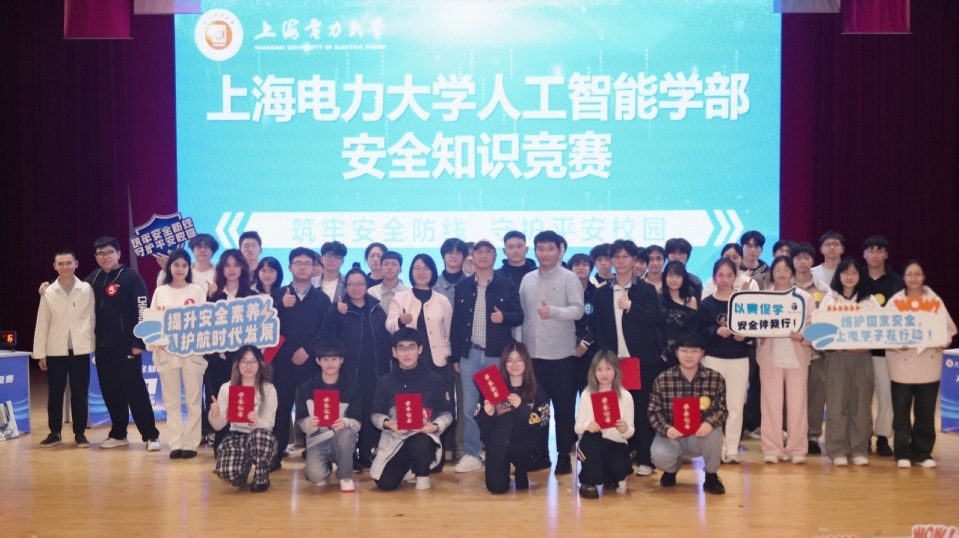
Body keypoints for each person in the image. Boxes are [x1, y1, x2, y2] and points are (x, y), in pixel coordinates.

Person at [38, 237, 161, 450]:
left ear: (118, 254)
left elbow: (143, 309)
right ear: (95, 257)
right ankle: (119, 434)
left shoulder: (132, 277)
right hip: (102, 347)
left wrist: (139, 341)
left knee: (135, 390)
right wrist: (47, 286)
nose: (105, 257)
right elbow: (70, 286)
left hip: (127, 346)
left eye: (109, 252)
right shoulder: (93, 280)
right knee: (111, 392)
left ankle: (151, 436)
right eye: (100, 254)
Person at [450, 239, 524, 473]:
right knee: (469, 407)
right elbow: (456, 324)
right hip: (469, 355)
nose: (483, 255)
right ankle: (472, 454)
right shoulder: (463, 286)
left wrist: (505, 317)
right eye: (478, 252)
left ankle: (499, 452)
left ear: (495, 256)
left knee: (499, 405)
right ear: (472, 257)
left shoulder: (507, 285)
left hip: (496, 356)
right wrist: (455, 357)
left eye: (488, 252)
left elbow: (519, 316)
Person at [591, 239, 662, 476]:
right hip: (613, 362)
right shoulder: (602, 293)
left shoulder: (646, 290)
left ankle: (645, 459)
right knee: (614, 410)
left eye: (625, 257)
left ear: (634, 260)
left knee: (641, 410)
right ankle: (617, 458)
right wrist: (605, 359)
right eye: (616, 257)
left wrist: (631, 305)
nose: (620, 261)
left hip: (639, 362)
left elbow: (654, 317)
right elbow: (598, 328)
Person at [519, 230, 585, 475]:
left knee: (564, 410)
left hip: (561, 357)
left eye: (550, 248)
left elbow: (578, 310)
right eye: (540, 248)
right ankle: (541, 455)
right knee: (537, 410)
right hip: (533, 357)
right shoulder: (527, 279)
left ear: (560, 251)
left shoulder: (569, 278)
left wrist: (554, 312)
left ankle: (564, 456)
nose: (545, 253)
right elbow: (523, 316)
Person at [886, 260, 957, 468]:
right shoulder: (894, 302)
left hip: (929, 363)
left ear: (924, 276)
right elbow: (883, 331)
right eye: (909, 274)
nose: (914, 278)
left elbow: (949, 329)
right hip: (901, 365)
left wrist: (944, 341)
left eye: (917, 274)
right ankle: (902, 453)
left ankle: (922, 453)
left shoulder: (935, 301)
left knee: (925, 411)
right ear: (903, 277)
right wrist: (896, 343)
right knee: (901, 412)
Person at [320, 267, 393, 468]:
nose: (356, 288)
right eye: (351, 284)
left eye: (360, 283)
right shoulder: (337, 308)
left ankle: (366, 452)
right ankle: (348, 455)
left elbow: (385, 339)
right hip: (347, 372)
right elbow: (327, 337)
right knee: (348, 413)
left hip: (374, 371)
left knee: (370, 411)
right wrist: (337, 314)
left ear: (366, 285)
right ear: (346, 287)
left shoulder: (376, 308)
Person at [386, 253, 454, 471]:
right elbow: (389, 325)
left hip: (437, 361)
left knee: (439, 407)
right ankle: (410, 454)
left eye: (426, 268)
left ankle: (439, 454)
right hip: (409, 364)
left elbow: (449, 330)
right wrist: (401, 321)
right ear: (411, 272)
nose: (421, 272)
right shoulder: (401, 298)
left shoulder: (442, 300)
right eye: (417, 268)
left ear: (433, 272)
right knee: (412, 406)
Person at [269, 247, 333, 469]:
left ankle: (314, 451)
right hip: (283, 363)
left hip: (311, 363)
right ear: (290, 267)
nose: (303, 267)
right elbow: (265, 325)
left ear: (315, 267)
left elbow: (326, 330)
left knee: (312, 409)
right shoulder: (278, 295)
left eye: (308, 263)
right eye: (298, 262)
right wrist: (279, 306)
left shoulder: (322, 298)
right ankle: (275, 453)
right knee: (281, 408)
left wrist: (307, 350)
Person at [370, 328, 454, 491]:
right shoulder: (385, 381)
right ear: (394, 352)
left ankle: (423, 477)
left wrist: (434, 427)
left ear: (420, 350)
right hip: (396, 439)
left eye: (411, 347)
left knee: (421, 441)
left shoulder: (435, 380)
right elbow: (375, 413)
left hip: (424, 437)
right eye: (401, 348)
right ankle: (408, 467)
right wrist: (388, 423)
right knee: (385, 484)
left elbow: (448, 413)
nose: (407, 353)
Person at [648, 332, 727, 495]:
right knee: (659, 456)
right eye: (684, 350)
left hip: (699, 436)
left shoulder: (715, 378)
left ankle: (711, 476)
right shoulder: (663, 379)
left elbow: (721, 409)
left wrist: (709, 423)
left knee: (715, 435)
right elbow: (653, 412)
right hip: (672, 436)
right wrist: (666, 429)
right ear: (676, 352)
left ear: (702, 353)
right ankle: (671, 469)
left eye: (694, 351)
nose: (689, 355)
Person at [147, 249, 208, 459]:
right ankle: (176, 443)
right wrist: (158, 342)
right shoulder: (160, 291)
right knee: (171, 401)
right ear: (169, 267)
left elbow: (203, 322)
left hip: (192, 353)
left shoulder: (196, 290)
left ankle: (191, 443)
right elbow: (152, 321)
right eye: (176, 265)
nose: (180, 269)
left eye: (184, 265)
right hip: (166, 353)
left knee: (193, 400)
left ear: (189, 268)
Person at [820, 257, 881, 466]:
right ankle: (837, 450)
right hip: (837, 357)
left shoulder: (869, 300)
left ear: (860, 276)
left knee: (861, 406)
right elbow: (820, 329)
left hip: (862, 357)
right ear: (838, 275)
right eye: (845, 272)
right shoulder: (830, 299)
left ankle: (859, 449)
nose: (849, 276)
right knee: (836, 405)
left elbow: (881, 329)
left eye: (854, 272)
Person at [755, 256, 815, 464]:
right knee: (770, 406)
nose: (781, 273)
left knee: (798, 406)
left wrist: (804, 336)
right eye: (777, 269)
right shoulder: (762, 298)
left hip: (797, 358)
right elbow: (753, 324)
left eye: (785, 269)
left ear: (792, 272)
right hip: (770, 359)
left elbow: (813, 325)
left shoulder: (804, 297)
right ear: (771, 273)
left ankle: (797, 449)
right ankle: (772, 448)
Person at [33, 249, 94, 448]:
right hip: (55, 350)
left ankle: (80, 433)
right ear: (55, 266)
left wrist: (94, 347)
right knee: (55, 393)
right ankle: (55, 432)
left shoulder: (86, 289)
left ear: (76, 264)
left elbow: (92, 319)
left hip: (80, 350)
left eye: (69, 263)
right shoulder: (48, 291)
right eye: (61, 264)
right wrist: (41, 354)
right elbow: (42, 323)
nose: (65, 267)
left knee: (80, 393)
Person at [475, 343, 550, 494]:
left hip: (523, 444)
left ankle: (521, 469)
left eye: (519, 360)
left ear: (526, 362)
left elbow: (541, 425)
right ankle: (504, 470)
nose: (514, 364)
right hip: (499, 443)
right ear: (504, 363)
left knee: (522, 450)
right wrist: (487, 414)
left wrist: (521, 407)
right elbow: (483, 428)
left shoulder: (537, 391)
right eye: (509, 360)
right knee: (496, 488)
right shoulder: (493, 386)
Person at [698, 258, 751, 463]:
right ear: (714, 277)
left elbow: (754, 328)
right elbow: (699, 332)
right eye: (721, 275)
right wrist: (715, 330)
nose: (725, 279)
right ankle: (717, 447)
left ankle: (732, 449)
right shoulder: (706, 304)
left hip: (739, 359)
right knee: (713, 406)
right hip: (713, 359)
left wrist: (744, 336)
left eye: (730, 275)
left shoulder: (743, 302)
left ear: (735, 277)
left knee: (736, 406)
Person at [295, 339, 364, 492]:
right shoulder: (306, 388)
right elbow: (300, 420)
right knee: (316, 477)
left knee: (346, 434)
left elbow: (358, 423)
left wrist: (345, 422)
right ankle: (323, 468)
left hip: (341, 439)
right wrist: (309, 423)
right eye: (325, 359)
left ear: (341, 360)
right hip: (317, 441)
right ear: (318, 361)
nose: (330, 363)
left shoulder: (353, 387)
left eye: (334, 358)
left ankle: (344, 476)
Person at [205, 249, 256, 453]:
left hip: (242, 361)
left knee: (241, 402)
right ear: (221, 269)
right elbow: (205, 327)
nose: (232, 269)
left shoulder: (252, 296)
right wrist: (210, 298)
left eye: (236, 265)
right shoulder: (214, 296)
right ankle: (221, 446)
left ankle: (243, 446)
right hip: (217, 360)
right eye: (227, 265)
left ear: (243, 267)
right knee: (219, 402)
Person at [209, 346, 278, 493]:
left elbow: (269, 424)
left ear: (260, 364)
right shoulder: (226, 388)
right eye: (244, 361)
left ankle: (261, 476)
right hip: (236, 435)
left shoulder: (268, 389)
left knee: (260, 437)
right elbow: (218, 426)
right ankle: (242, 471)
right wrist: (215, 414)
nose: (248, 366)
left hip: (259, 436)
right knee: (226, 471)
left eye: (253, 362)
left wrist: (257, 421)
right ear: (237, 364)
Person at [860, 235, 904, 457]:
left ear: (886, 254)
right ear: (864, 254)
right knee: (861, 398)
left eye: (879, 250)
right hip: (860, 349)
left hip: (887, 350)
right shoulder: (856, 277)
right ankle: (863, 437)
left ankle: (883, 438)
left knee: (887, 397)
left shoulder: (897, 281)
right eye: (870, 250)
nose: (874, 254)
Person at [574, 351, 635, 499]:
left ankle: (611, 477)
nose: (604, 374)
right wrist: (587, 425)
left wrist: (625, 428)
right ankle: (588, 483)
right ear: (593, 372)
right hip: (593, 445)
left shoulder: (625, 396)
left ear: (616, 370)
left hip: (616, 446)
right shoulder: (587, 394)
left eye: (609, 368)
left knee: (619, 470)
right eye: (599, 369)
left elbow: (631, 431)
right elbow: (577, 427)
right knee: (591, 437)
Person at [791, 242, 831, 455]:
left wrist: (813, 339)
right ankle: (791, 433)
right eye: (798, 258)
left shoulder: (823, 289)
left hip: (816, 352)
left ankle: (813, 436)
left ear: (813, 261)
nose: (803, 262)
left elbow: (827, 319)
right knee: (792, 397)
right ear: (793, 261)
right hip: (789, 351)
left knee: (815, 396)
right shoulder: (783, 286)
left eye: (807, 257)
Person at [658, 261, 699, 364]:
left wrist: (671, 350)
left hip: (683, 353)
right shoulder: (657, 298)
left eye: (678, 275)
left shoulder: (690, 301)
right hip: (659, 352)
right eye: (670, 275)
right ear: (664, 277)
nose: (674, 279)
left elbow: (692, 331)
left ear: (684, 278)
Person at [154, 233, 219, 296]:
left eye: (207, 247)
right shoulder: (182, 269)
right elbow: (161, 289)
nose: (202, 250)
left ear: (212, 251)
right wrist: (166, 271)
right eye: (199, 246)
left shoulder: (219, 271)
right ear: (192, 250)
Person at [569, 253, 598, 390]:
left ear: (591, 268)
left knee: (591, 395)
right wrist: (576, 341)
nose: (581, 267)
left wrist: (585, 343)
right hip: (567, 350)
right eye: (577, 264)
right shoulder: (563, 293)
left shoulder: (598, 293)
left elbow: (600, 322)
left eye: (585, 264)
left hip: (590, 351)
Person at [434, 237, 470, 304]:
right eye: (450, 252)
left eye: (458, 253)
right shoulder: (434, 283)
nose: (453, 256)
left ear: (464, 257)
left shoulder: (471, 282)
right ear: (443, 256)